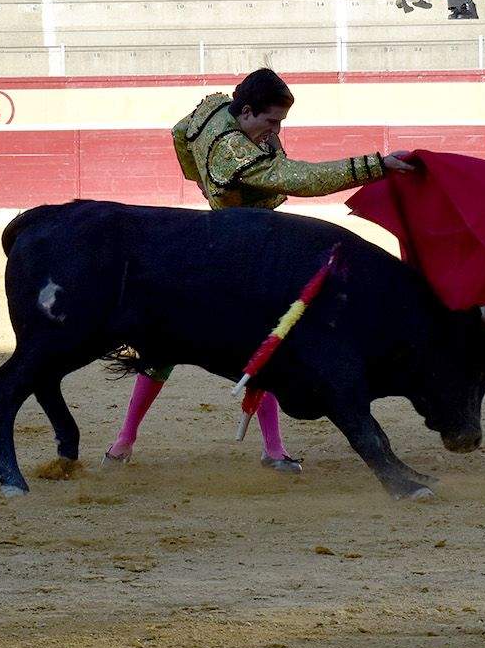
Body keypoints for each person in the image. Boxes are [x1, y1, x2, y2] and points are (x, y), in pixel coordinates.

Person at [105, 68, 416, 473]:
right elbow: (301, 178)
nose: (276, 130)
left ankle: (125, 441)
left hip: (227, 239)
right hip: (240, 254)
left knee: (168, 344)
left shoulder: (215, 107)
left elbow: (180, 132)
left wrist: (199, 180)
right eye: (271, 121)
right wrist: (375, 165)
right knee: (265, 339)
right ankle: (265, 449)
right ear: (247, 111)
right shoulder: (234, 154)